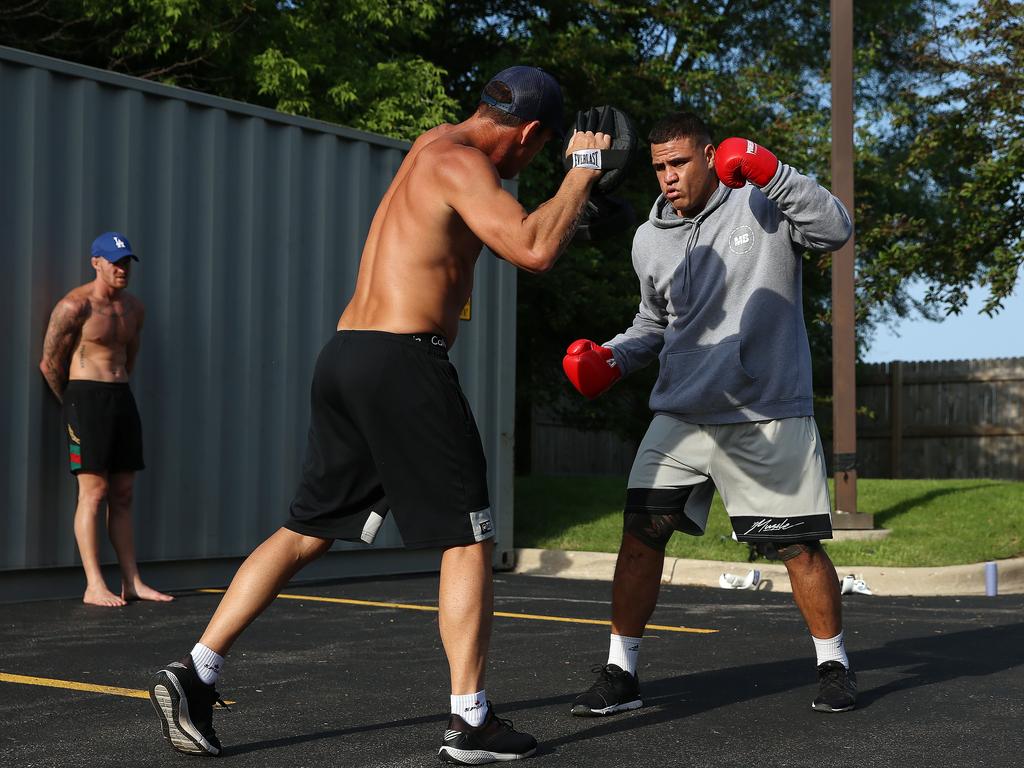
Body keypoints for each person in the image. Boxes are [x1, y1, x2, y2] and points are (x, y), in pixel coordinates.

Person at [149, 66, 613, 764]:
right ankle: (470, 720)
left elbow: (459, 249)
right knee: (468, 535)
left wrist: (558, 204)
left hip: (347, 355)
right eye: (538, 151)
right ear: (527, 133)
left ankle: (196, 672)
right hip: (401, 363)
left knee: (306, 529)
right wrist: (579, 174)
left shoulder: (432, 144)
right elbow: (535, 249)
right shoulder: (464, 165)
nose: (530, 165)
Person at [561, 112, 857, 718]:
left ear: (709, 155)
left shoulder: (762, 203)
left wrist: (773, 171)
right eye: (659, 168)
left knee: (796, 547)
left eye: (679, 163)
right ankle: (621, 672)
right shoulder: (650, 238)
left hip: (764, 410)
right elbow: (653, 324)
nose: (668, 178)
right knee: (639, 535)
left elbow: (834, 229)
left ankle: (834, 664)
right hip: (682, 414)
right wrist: (610, 360)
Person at [38, 231, 173, 608]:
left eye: (126, 262)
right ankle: (94, 584)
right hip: (84, 401)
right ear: (95, 262)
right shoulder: (74, 307)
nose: (121, 269)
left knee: (124, 494)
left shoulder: (134, 309)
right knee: (94, 493)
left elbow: (130, 356)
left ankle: (132, 581)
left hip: (121, 398)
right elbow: (49, 363)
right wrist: (72, 404)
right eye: (114, 262)